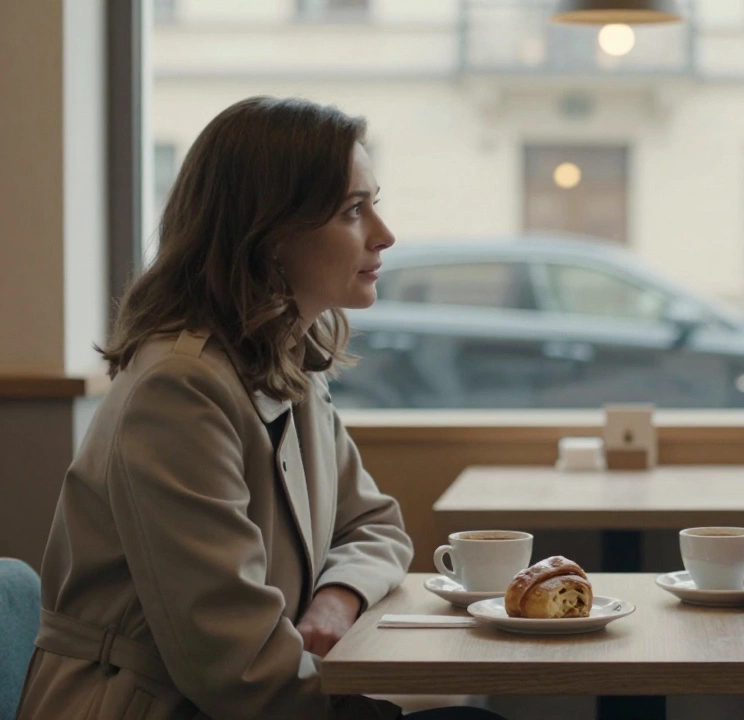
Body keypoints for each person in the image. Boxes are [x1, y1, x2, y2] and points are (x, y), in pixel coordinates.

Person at [17, 97, 503, 719]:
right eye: (354, 210)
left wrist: (336, 600)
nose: (384, 234)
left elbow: (376, 527)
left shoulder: (284, 365)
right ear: (270, 235)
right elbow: (236, 669)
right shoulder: (180, 389)